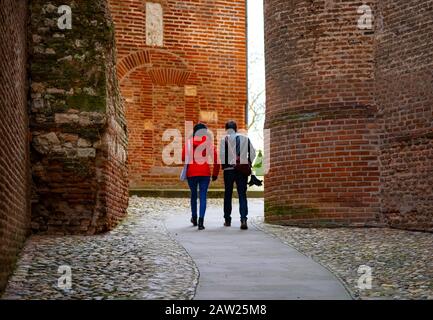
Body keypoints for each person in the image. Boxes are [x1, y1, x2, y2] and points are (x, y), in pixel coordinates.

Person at [182, 123, 220, 230]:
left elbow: (182, 157)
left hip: (192, 173)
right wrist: (215, 174)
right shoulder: (208, 143)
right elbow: (216, 161)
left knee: (193, 195)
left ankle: (194, 217)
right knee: (203, 196)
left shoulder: (189, 143)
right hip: (204, 173)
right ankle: (201, 222)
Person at [220, 121, 256, 230]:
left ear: (227, 129)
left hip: (229, 170)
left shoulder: (224, 140)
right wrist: (247, 163)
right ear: (236, 128)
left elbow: (222, 156)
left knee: (228, 194)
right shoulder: (245, 139)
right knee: (242, 195)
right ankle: (243, 219)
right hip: (242, 170)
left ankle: (227, 220)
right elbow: (253, 153)